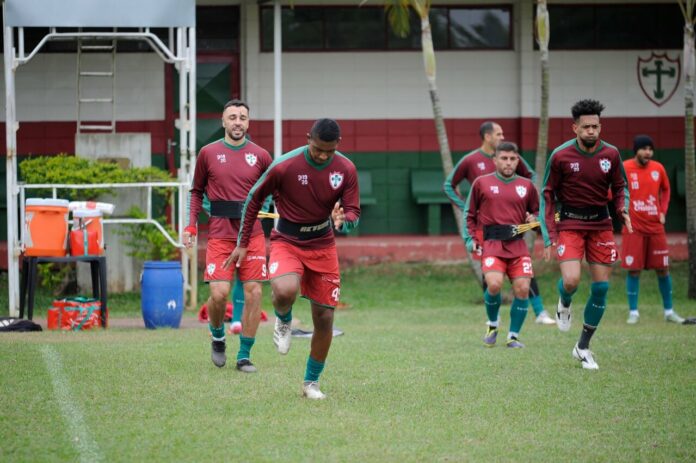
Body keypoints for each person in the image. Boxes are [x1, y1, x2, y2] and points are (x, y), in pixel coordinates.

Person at [228, 118, 360, 400]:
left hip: (323, 245)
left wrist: (343, 221)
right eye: (317, 149)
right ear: (308, 138)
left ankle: (310, 383)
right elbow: (253, 197)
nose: (323, 155)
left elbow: (352, 213)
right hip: (287, 241)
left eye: (329, 150)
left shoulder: (346, 169)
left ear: (337, 145)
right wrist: (242, 243)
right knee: (285, 290)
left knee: (324, 317)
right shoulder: (285, 165)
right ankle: (284, 319)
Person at [540, 99, 631, 370]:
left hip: (601, 224)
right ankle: (564, 302)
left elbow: (620, 186)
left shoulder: (612, 154)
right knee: (571, 280)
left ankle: (582, 347)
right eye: (586, 127)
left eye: (595, 126)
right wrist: (549, 234)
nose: (591, 131)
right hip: (569, 223)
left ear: (600, 127)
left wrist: (622, 208)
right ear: (575, 128)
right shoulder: (560, 155)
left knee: (601, 288)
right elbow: (547, 194)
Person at [184, 99, 273, 373]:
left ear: (248, 122)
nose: (238, 122)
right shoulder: (208, 153)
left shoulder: (261, 155)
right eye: (232, 117)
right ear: (223, 122)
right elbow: (197, 191)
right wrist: (191, 226)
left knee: (254, 291)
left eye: (243, 117)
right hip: (220, 234)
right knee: (219, 294)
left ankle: (244, 355)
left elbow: (270, 191)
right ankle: (218, 336)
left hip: (253, 235)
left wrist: (260, 213)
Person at [444, 121, 554, 325]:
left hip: (511, 224)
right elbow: (449, 186)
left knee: (521, 268)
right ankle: (494, 317)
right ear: (487, 137)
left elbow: (531, 176)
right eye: (499, 134)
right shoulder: (470, 160)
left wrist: (525, 207)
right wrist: (465, 207)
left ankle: (539, 312)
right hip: (483, 228)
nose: (502, 137)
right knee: (491, 275)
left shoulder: (511, 158)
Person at [463, 142, 540, 347]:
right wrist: (470, 239)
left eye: (512, 159)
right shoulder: (481, 183)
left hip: (518, 246)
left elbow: (538, 214)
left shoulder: (527, 186)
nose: (508, 163)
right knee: (494, 284)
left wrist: (536, 223)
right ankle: (492, 324)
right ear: (495, 160)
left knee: (523, 289)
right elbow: (469, 215)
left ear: (518, 161)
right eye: (504, 158)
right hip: (492, 244)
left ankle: (513, 336)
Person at [622, 135, 685, 325]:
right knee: (634, 270)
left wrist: (663, 211)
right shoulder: (625, 167)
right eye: (644, 148)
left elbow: (666, 190)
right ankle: (633, 312)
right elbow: (614, 189)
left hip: (656, 228)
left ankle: (669, 312)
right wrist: (622, 208)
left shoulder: (658, 168)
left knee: (663, 269)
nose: (648, 152)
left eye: (650, 149)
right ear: (636, 150)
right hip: (634, 228)